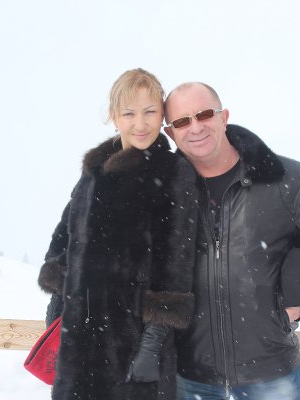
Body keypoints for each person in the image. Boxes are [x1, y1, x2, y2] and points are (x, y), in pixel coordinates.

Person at [163, 82, 300, 400]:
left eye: (204, 114)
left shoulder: (283, 176)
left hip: (271, 372)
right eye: (182, 121)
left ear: (223, 117)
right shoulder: (164, 191)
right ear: (170, 133)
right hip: (192, 376)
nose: (196, 127)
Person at [37, 69, 199, 400]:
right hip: (78, 337)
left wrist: (152, 343)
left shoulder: (174, 172)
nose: (140, 123)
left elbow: (176, 267)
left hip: (133, 344)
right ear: (113, 116)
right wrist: (58, 302)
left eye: (150, 111)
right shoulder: (93, 172)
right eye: (129, 113)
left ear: (162, 114)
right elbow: (65, 240)